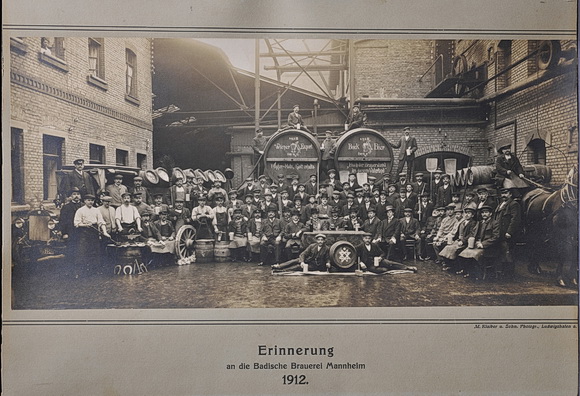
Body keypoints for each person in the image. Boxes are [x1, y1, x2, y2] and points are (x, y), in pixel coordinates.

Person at [458, 205, 501, 279]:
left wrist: (483, 244)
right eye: (483, 212)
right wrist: (473, 241)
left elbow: (496, 237)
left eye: (486, 212)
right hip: (478, 244)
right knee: (464, 252)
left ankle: (478, 275)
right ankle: (470, 272)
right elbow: (474, 233)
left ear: (490, 214)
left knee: (475, 255)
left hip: (490, 247)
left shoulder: (495, 223)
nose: (484, 214)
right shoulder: (479, 223)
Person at [73, 194, 110, 275]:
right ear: (85, 201)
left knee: (95, 252)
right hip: (84, 233)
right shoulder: (80, 210)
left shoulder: (96, 210)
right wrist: (85, 225)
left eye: (92, 200)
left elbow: (101, 222)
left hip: (94, 232)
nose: (90, 202)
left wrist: (105, 232)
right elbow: (76, 223)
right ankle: (81, 272)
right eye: (88, 200)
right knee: (83, 252)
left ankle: (94, 271)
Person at [492, 187, 522, 278]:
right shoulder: (500, 204)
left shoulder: (514, 204)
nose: (504, 195)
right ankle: (503, 271)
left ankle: (509, 274)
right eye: (502, 193)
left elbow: (515, 219)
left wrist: (509, 232)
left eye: (506, 193)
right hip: (500, 233)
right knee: (502, 253)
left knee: (509, 253)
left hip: (507, 234)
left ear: (510, 194)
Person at [440, 208, 478, 273]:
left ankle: (459, 268)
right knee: (447, 247)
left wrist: (463, 241)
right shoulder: (462, 223)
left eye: (469, 213)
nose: (466, 215)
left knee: (456, 249)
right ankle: (450, 265)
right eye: (465, 213)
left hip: (467, 242)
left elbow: (471, 234)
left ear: (472, 215)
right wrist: (453, 239)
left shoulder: (473, 223)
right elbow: (457, 234)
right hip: (459, 240)